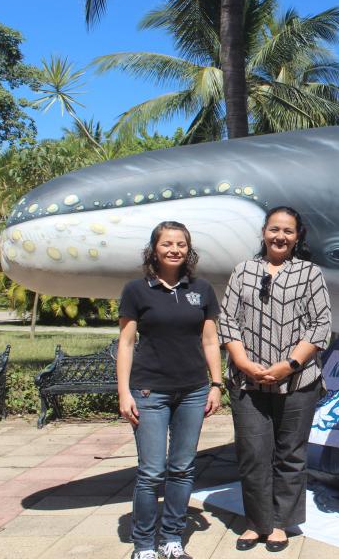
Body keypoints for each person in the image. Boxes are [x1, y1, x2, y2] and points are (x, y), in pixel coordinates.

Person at [219, 206, 332, 553]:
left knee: (290, 454)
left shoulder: (310, 273)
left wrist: (289, 365)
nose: (280, 236)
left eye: (288, 231)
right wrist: (243, 362)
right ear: (264, 232)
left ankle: (281, 523)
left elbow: (321, 323)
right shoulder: (243, 271)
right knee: (253, 453)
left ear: (297, 237)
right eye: (274, 229)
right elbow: (227, 320)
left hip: (297, 381)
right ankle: (257, 522)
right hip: (247, 381)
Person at [116, 221, 223, 559]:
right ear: (154, 250)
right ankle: (144, 545)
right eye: (167, 244)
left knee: (182, 468)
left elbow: (210, 341)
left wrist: (216, 384)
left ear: (188, 250)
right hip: (150, 392)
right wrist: (124, 392)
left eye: (181, 244)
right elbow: (126, 343)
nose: (174, 249)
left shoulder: (202, 290)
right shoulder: (136, 290)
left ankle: (172, 539)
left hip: (193, 391)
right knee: (151, 472)